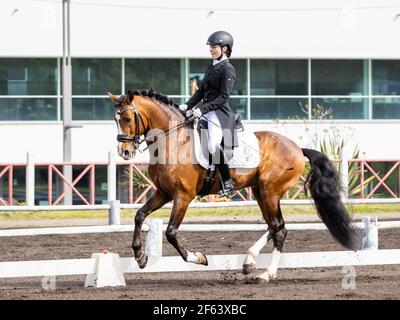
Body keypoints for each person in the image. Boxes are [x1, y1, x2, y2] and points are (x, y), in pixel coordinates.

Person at [179, 31, 237, 196]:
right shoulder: (211, 66)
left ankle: (228, 183)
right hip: (205, 113)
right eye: (210, 47)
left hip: (219, 115)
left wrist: (201, 110)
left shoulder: (228, 69)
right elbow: (202, 91)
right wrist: (187, 105)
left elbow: (223, 97)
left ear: (224, 48)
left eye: (214, 47)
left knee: (212, 145)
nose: (211, 50)